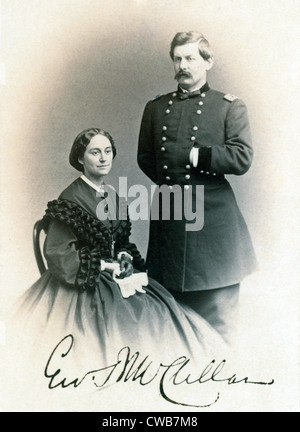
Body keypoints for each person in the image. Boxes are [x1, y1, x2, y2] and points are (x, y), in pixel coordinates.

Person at [6, 127, 229, 403]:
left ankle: (159, 385)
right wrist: (103, 266)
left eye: (108, 152)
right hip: (81, 282)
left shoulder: (112, 194)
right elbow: (59, 255)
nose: (103, 158)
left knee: (159, 310)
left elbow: (120, 241)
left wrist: (122, 256)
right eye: (95, 152)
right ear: (80, 158)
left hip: (113, 276)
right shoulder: (71, 198)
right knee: (127, 321)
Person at [137, 31, 258, 344]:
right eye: (177, 58)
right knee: (171, 323)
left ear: (208, 61)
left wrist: (195, 156)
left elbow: (242, 157)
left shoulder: (229, 106)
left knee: (220, 326)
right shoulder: (156, 108)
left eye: (190, 57)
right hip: (171, 223)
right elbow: (146, 159)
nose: (183, 65)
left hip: (214, 227)